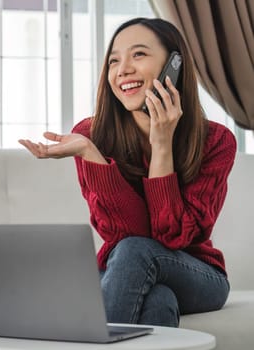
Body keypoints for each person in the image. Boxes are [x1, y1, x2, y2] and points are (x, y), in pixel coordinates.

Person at [19, 17, 236, 327]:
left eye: (139, 54)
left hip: (197, 273)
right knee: (158, 300)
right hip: (123, 267)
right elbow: (122, 235)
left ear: (174, 64)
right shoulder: (90, 136)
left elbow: (171, 237)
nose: (123, 70)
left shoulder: (216, 141)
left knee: (136, 252)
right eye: (114, 61)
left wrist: (162, 145)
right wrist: (90, 154)